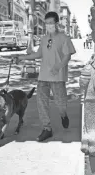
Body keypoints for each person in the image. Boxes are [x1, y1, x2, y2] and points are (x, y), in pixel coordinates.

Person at [15, 11, 76, 142]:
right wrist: (22, 57)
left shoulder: (64, 38)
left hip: (57, 77)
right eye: (46, 23)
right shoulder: (44, 39)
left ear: (57, 24)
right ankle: (47, 129)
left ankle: (63, 115)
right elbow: (38, 55)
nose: (48, 25)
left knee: (61, 103)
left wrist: (58, 67)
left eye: (50, 23)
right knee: (41, 103)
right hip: (43, 77)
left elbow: (67, 56)